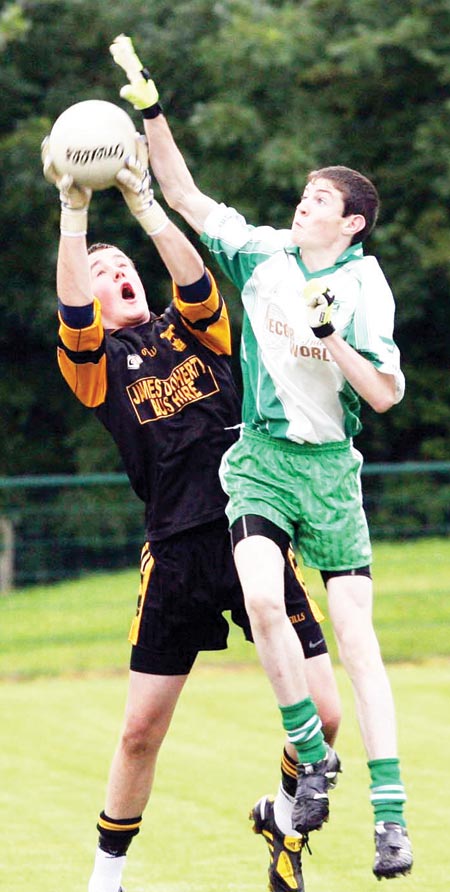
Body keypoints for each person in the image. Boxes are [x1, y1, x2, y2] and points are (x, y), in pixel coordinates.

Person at [109, 34, 414, 882]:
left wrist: (333, 341)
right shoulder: (263, 252)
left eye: (321, 198)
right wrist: (151, 110)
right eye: (308, 192)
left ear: (350, 222)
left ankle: (390, 818)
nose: (306, 201)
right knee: (259, 589)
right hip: (261, 463)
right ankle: (309, 762)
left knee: (358, 644)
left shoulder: (364, 286)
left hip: (330, 473)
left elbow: (384, 396)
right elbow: (183, 192)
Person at [41, 124, 341, 892]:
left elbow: (198, 280)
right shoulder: (97, 368)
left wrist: (143, 204)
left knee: (327, 719)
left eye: (123, 266)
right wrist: (75, 216)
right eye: (102, 274)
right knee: (141, 732)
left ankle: (280, 817)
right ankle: (103, 881)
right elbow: (73, 312)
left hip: (255, 530)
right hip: (175, 552)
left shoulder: (197, 335)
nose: (117, 275)